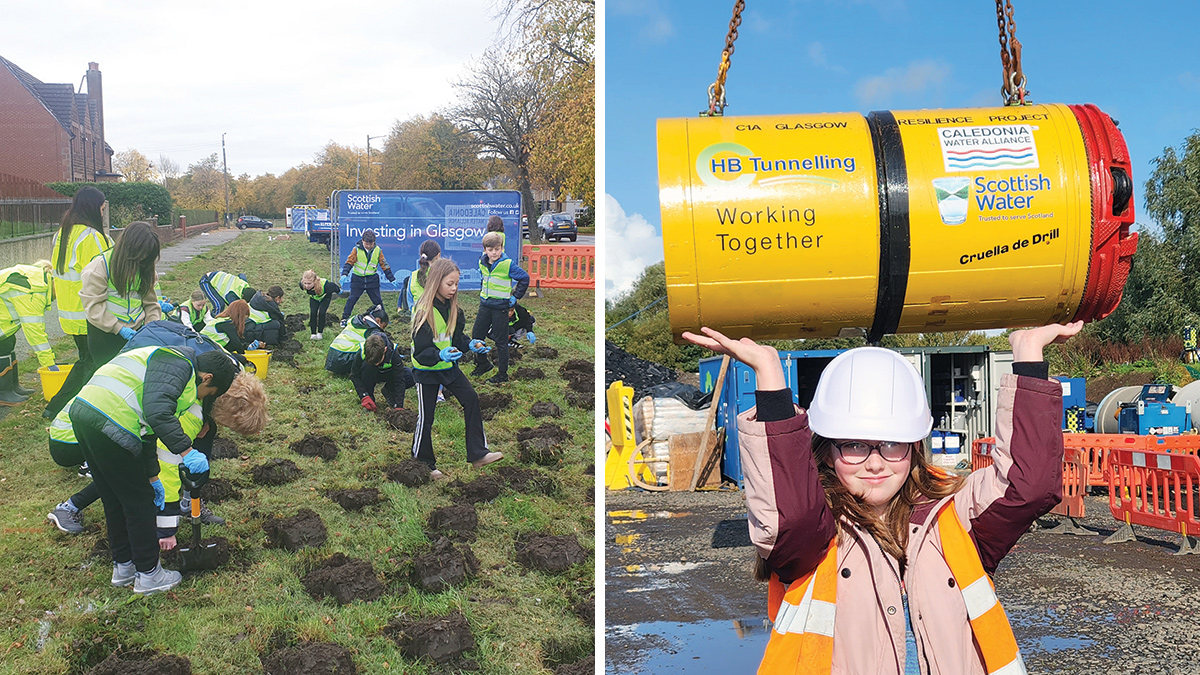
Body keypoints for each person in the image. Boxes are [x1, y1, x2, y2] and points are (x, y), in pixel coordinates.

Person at [682, 322, 1080, 674]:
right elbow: (789, 513)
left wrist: (1028, 360)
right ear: (828, 450)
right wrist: (770, 378)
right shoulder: (813, 540)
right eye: (854, 445)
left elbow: (1027, 487)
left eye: (891, 444)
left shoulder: (957, 517)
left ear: (914, 449)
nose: (875, 463)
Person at [70, 345, 236, 594]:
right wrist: (187, 452)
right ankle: (149, 575)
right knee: (140, 503)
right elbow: (157, 413)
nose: (200, 398)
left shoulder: (168, 365)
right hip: (113, 418)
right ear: (207, 377)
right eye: (206, 393)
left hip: (87, 412)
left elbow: (148, 430)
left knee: (114, 498)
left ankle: (124, 567)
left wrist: (152, 475)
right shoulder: (179, 366)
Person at [44, 221, 162, 418]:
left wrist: (150, 327)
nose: (143, 260)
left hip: (137, 332)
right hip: (105, 334)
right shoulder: (99, 267)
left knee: (133, 377)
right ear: (129, 249)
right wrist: (118, 328)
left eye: (147, 257)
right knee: (105, 378)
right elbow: (94, 308)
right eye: (140, 255)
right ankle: (87, 413)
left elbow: (151, 304)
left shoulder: (147, 268)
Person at [411, 259, 502, 479]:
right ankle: (423, 463)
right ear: (436, 281)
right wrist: (438, 354)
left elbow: (457, 337)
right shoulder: (423, 311)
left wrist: (470, 344)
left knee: (471, 398)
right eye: (449, 284)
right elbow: (419, 352)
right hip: (426, 371)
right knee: (426, 417)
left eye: (456, 284)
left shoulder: (455, 310)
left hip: (449, 368)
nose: (454, 289)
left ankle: (478, 454)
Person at [49, 186, 113, 397]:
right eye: (102, 209)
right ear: (94, 208)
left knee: (86, 358)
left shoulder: (62, 233)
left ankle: (63, 403)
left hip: (69, 310)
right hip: (88, 311)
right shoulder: (90, 236)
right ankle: (65, 403)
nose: (103, 214)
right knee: (94, 361)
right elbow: (103, 273)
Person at [470, 231, 529, 384]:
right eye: (491, 250)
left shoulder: (507, 264)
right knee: (476, 335)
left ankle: (502, 374)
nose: (494, 252)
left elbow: (524, 278)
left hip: (500, 308)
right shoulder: (481, 261)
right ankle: (483, 364)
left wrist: (515, 297)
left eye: (497, 249)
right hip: (485, 304)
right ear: (485, 250)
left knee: (501, 341)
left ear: (502, 248)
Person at [0, 262, 57, 405]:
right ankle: (3, 393)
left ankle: (13, 387)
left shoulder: (36, 279)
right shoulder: (33, 292)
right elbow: (35, 333)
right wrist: (49, 364)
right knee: (3, 347)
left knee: (8, 343)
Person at [340, 230, 395, 323]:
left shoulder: (378, 250)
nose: (369, 246)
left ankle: (384, 319)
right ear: (362, 241)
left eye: (371, 244)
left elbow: (384, 264)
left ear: (374, 242)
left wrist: (391, 279)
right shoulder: (356, 249)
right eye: (366, 244)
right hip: (358, 279)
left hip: (372, 280)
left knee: (378, 301)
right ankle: (344, 318)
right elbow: (349, 262)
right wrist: (345, 274)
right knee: (352, 299)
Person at [352, 332, 414, 411]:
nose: (376, 364)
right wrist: (364, 395)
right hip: (370, 374)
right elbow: (355, 375)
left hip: (388, 373)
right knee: (367, 366)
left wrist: (399, 405)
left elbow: (399, 378)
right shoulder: (361, 352)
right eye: (374, 363)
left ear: (385, 350)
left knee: (410, 375)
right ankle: (370, 399)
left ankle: (389, 390)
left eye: (378, 361)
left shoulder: (393, 353)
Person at [326, 305, 389, 376]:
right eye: (383, 326)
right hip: (343, 359)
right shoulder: (373, 329)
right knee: (372, 348)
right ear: (378, 321)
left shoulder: (355, 319)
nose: (383, 330)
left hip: (331, 357)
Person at [398, 240, 440, 313]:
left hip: (417, 317)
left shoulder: (413, 275)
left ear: (421, 255)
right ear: (438, 256)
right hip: (438, 317)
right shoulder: (441, 275)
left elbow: (410, 301)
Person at [300, 270, 340, 339]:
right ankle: (313, 334)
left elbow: (334, 286)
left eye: (309, 283)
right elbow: (304, 285)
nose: (307, 286)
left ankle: (320, 333)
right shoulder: (302, 285)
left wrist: (339, 291)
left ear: (314, 281)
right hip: (314, 298)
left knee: (321, 313)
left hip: (325, 296)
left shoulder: (326, 286)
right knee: (313, 313)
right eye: (305, 283)